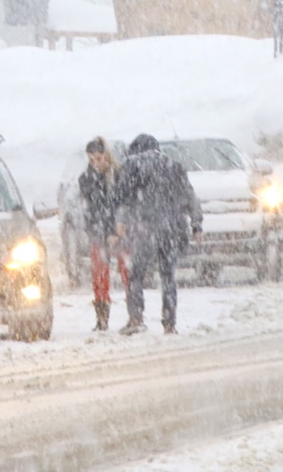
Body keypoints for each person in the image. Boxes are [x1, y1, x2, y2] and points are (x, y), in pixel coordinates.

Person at [113, 133, 201, 335]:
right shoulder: (174, 166)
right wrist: (196, 224)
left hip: (144, 229)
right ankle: (169, 323)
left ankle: (136, 318)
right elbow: (190, 196)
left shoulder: (132, 164)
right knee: (168, 277)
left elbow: (123, 198)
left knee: (136, 275)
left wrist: (120, 221)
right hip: (171, 230)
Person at [76, 137, 122, 331]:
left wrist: (114, 229)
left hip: (118, 231)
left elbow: (119, 205)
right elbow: (90, 207)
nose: (95, 163)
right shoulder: (86, 178)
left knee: (127, 273)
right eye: (91, 159)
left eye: (99, 158)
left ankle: (135, 316)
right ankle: (102, 318)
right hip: (97, 231)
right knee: (99, 276)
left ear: (107, 156)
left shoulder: (117, 175)